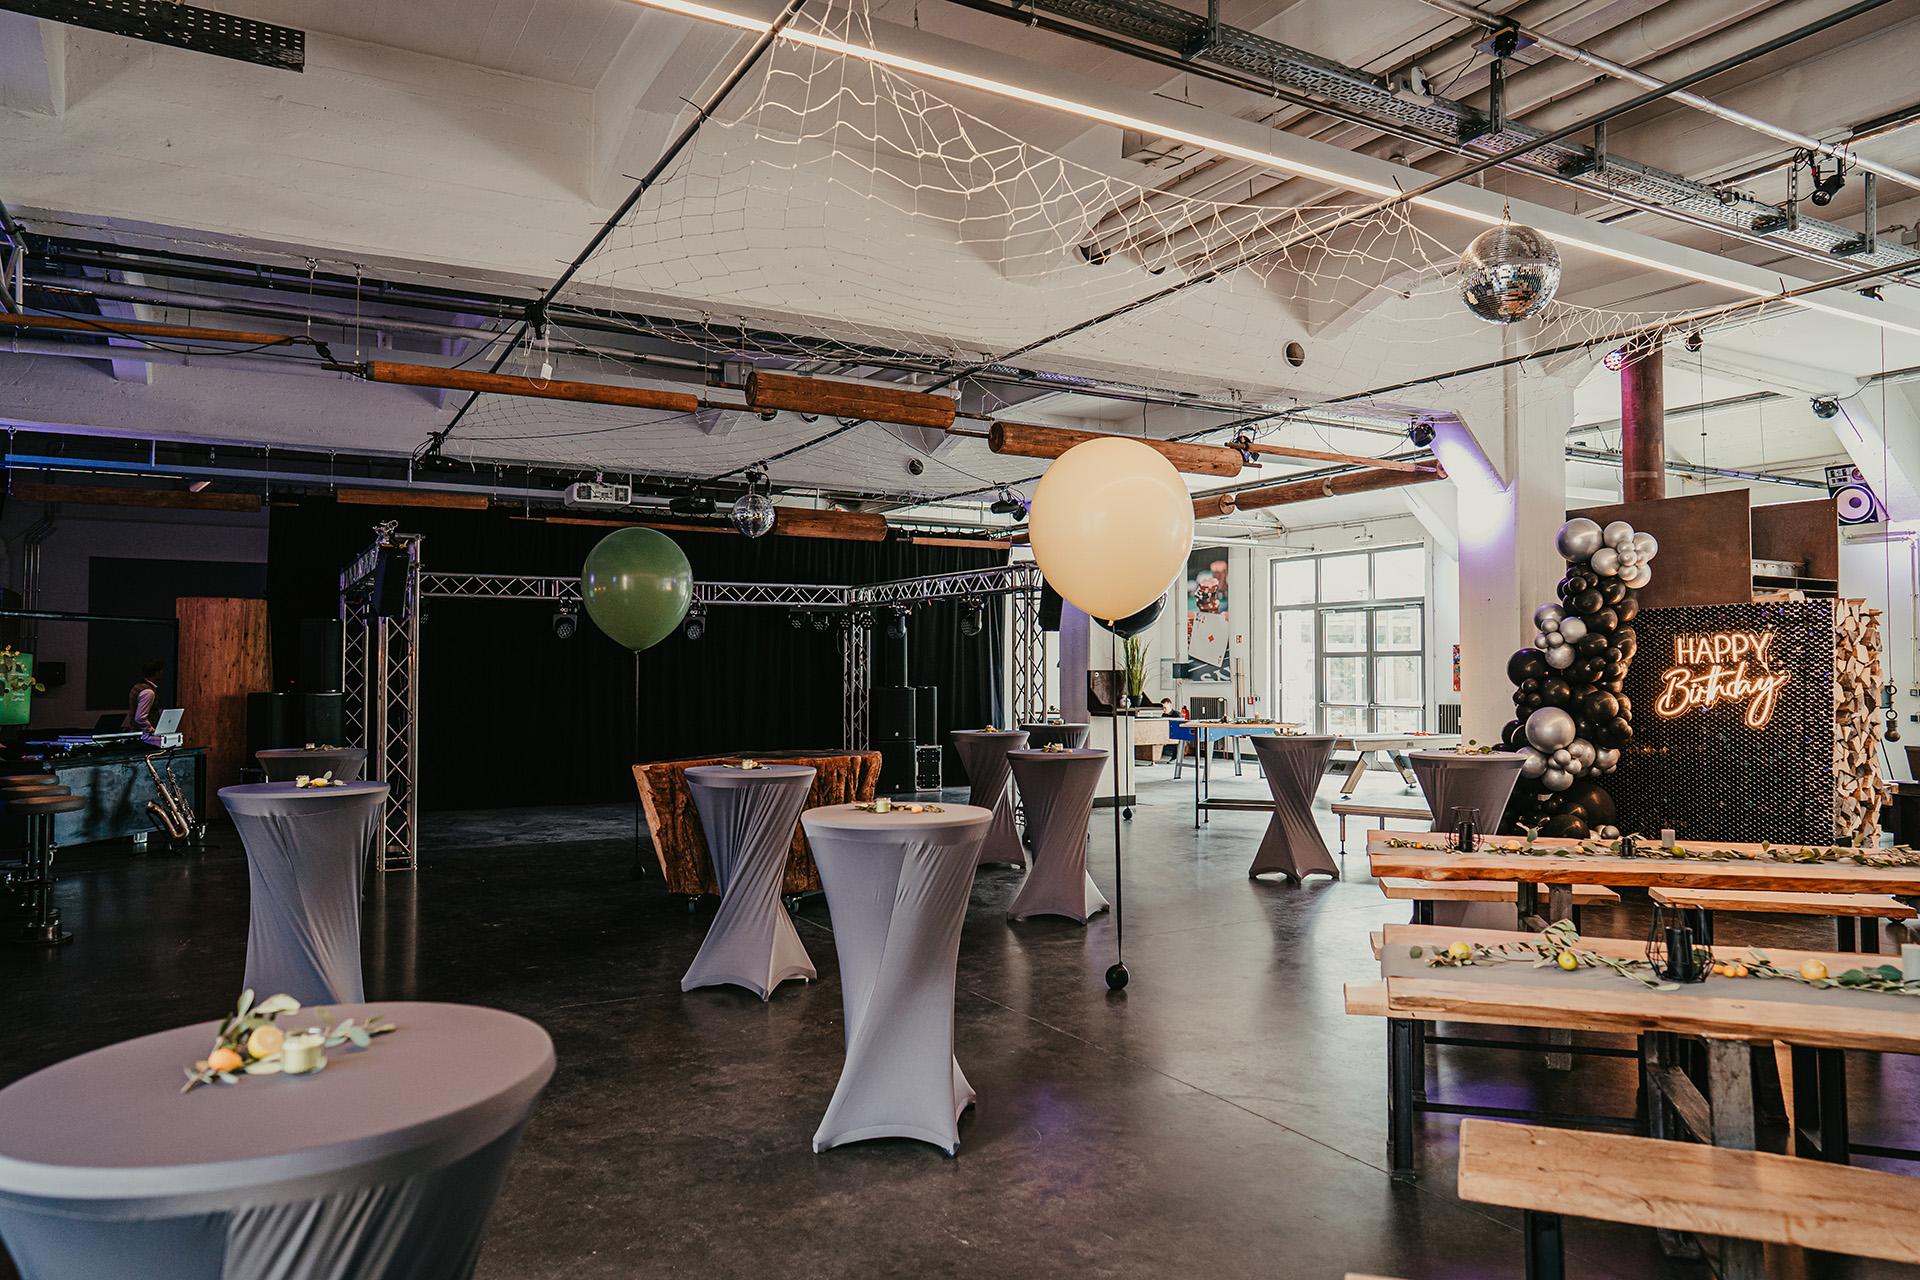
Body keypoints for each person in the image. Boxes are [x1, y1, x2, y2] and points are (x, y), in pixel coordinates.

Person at [129, 659, 164, 732]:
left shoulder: (138, 686)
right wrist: (151, 729)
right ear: (156, 673)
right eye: (161, 671)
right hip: (143, 735)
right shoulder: (148, 692)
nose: (162, 673)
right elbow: (140, 718)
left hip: (137, 733)